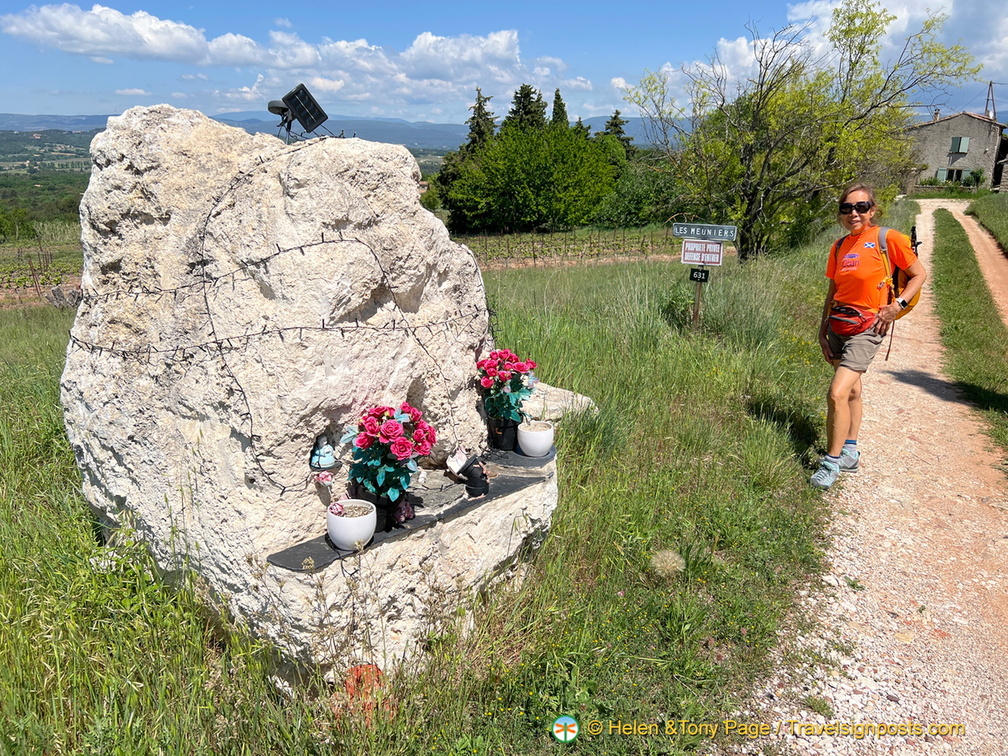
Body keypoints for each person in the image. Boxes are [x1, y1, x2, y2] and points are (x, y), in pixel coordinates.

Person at [811, 183, 927, 490]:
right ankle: (850, 451)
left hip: (868, 327)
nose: (854, 213)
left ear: (872, 210)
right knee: (851, 393)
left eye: (861, 207)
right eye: (847, 208)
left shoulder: (887, 238)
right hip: (839, 324)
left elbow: (919, 274)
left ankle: (831, 463)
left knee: (836, 393)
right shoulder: (838, 247)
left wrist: (896, 306)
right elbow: (833, 289)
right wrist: (822, 327)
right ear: (841, 213)